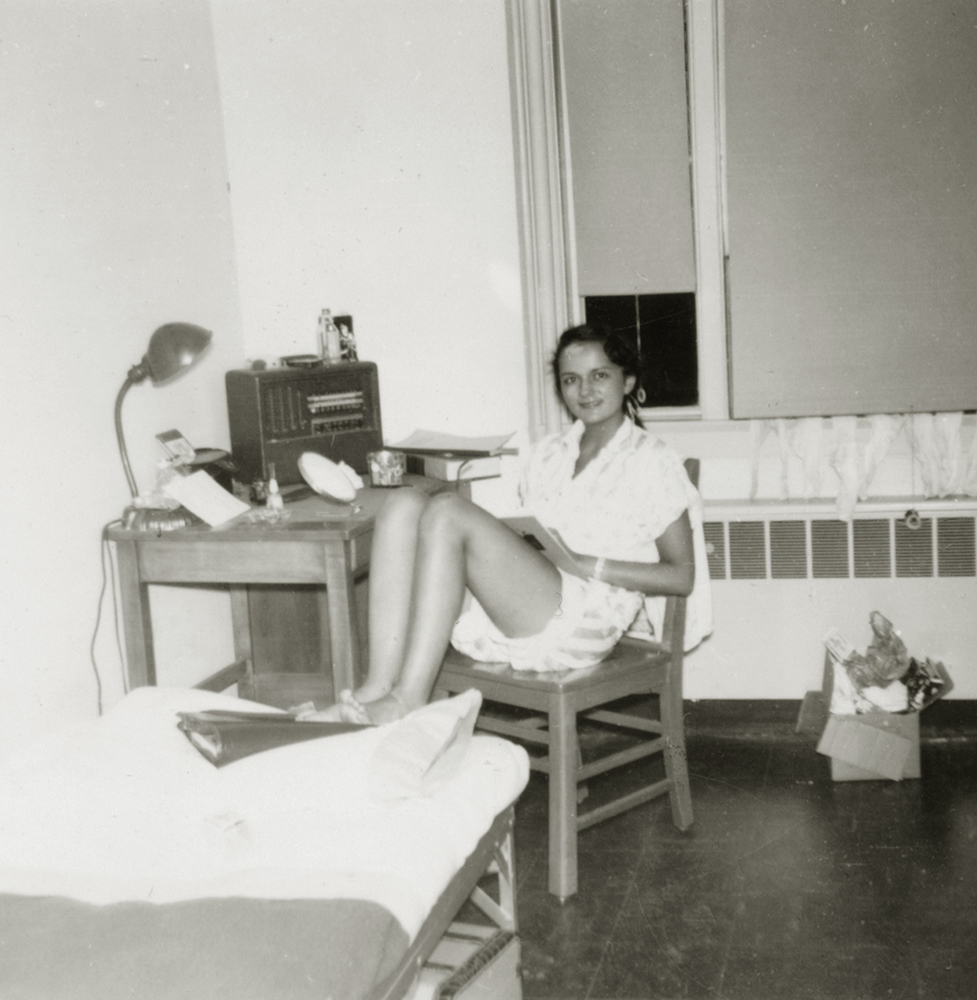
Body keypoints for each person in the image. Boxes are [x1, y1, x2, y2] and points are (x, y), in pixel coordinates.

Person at [321, 322, 711, 725]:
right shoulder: (549, 455)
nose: (585, 390)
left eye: (600, 376)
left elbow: (681, 577)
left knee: (448, 511)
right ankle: (375, 689)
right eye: (571, 380)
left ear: (627, 381)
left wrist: (587, 564)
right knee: (402, 504)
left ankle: (408, 699)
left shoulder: (653, 460)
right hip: (530, 608)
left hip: (584, 619)